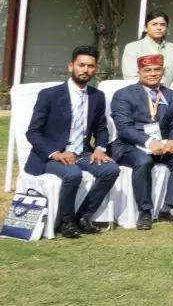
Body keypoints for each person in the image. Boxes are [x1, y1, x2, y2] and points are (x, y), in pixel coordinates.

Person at [25, 46, 119, 238]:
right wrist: (56, 153)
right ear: (71, 66)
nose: (85, 70)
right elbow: (33, 132)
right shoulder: (49, 95)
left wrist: (100, 148)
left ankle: (84, 216)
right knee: (73, 173)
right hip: (52, 155)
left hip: (82, 152)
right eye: (81, 65)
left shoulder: (97, 96)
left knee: (111, 170)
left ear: (95, 69)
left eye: (90, 66)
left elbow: (101, 128)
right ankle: (67, 222)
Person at [110, 54, 173, 229]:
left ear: (162, 72)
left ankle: (170, 207)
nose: (153, 74)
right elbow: (124, 128)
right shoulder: (123, 95)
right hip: (130, 146)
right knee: (143, 160)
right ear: (139, 72)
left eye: (157, 70)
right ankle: (145, 211)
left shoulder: (170, 95)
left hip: (161, 146)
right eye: (147, 70)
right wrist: (148, 142)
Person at [119, 10, 173, 86]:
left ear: (166, 28)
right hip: (141, 95)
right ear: (146, 28)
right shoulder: (132, 48)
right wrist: (150, 95)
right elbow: (131, 77)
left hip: (168, 95)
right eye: (154, 24)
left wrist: (169, 95)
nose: (159, 27)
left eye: (162, 24)